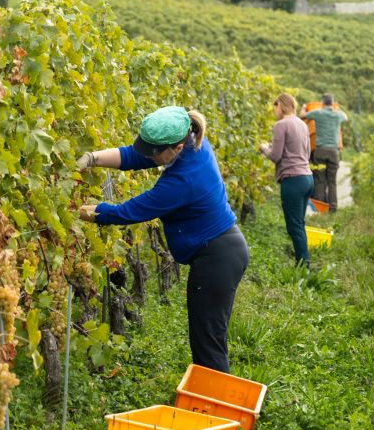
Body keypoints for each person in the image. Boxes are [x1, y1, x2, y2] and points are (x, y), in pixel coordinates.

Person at [76, 106, 249, 374]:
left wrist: (85, 212)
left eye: (155, 152)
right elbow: (135, 156)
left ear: (174, 149)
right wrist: (91, 158)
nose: (149, 155)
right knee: (207, 335)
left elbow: (130, 211)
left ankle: (215, 408)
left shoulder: (182, 181)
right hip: (222, 251)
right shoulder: (191, 142)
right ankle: (211, 401)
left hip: (218, 258)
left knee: (208, 341)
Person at [258, 93, 314, 266]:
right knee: (300, 223)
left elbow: (275, 156)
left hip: (293, 180)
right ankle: (304, 259)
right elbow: (307, 152)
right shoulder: (302, 124)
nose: (274, 112)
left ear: (280, 106)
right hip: (307, 177)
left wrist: (264, 148)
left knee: (294, 226)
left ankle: (303, 266)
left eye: (274, 108)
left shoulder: (281, 125)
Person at [301, 94, 347, 212]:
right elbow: (346, 117)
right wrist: (337, 108)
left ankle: (320, 208)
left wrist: (303, 106)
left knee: (320, 179)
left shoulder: (318, 113)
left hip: (320, 151)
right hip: (334, 152)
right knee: (332, 181)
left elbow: (302, 116)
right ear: (332, 103)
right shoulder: (338, 115)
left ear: (322, 103)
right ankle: (333, 208)